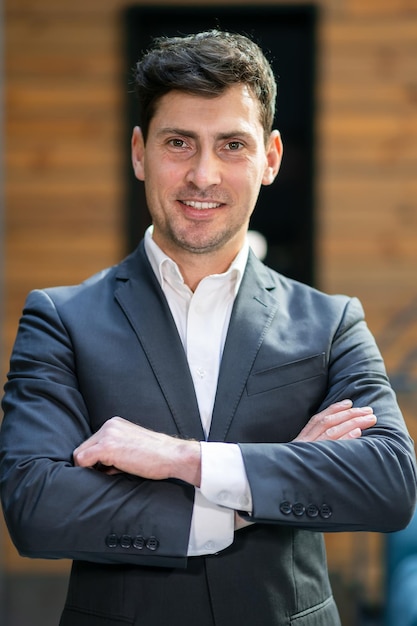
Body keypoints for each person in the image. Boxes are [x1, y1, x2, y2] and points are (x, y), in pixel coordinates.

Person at [0, 30, 416, 626]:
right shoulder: (61, 321)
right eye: (179, 143)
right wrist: (258, 490)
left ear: (269, 159)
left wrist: (186, 460)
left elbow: (388, 484)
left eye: (231, 145)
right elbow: (36, 507)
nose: (202, 174)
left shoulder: (331, 323)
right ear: (140, 152)